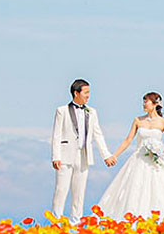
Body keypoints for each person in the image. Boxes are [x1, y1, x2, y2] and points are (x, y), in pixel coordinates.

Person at [96, 91, 164, 220]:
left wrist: (159, 150)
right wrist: (115, 155)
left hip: (155, 161)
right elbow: (128, 140)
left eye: (146, 101)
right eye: (144, 101)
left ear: (155, 103)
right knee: (135, 190)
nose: (144, 104)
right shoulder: (138, 120)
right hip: (138, 159)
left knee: (158, 191)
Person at [50, 78, 116, 221]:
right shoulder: (61, 111)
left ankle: (76, 222)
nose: (88, 95)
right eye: (86, 92)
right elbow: (56, 135)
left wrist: (106, 155)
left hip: (84, 156)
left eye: (89, 92)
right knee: (61, 190)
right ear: (76, 93)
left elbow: (98, 134)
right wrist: (56, 156)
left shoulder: (92, 112)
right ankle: (55, 221)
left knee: (79, 193)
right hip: (65, 156)